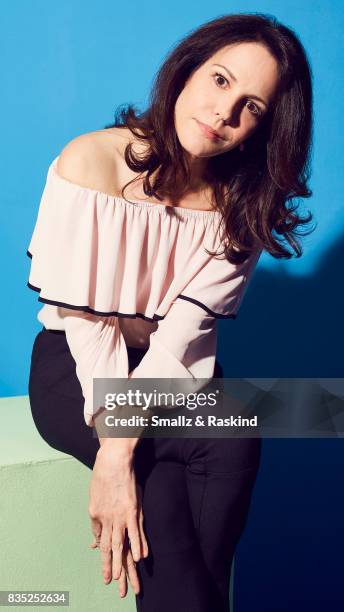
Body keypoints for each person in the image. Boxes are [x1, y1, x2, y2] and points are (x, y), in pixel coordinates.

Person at [27, 13, 314, 612]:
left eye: (252, 106)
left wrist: (118, 449)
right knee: (157, 487)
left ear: (265, 128)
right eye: (218, 80)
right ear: (186, 70)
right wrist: (116, 451)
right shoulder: (90, 164)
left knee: (237, 439)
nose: (223, 113)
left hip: (172, 368)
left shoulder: (243, 206)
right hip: (76, 364)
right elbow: (87, 322)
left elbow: (182, 337)